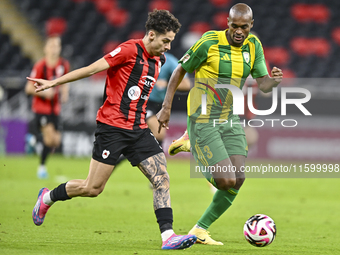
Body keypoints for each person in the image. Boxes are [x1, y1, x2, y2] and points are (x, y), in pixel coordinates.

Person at [28, 10, 196, 250]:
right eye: (165, 40)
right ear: (151, 35)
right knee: (92, 188)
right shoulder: (129, 50)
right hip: (112, 128)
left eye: (171, 41)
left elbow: (163, 86)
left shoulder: (158, 61)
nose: (168, 46)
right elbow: (91, 69)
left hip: (138, 129)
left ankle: (168, 236)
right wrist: (55, 82)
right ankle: (47, 197)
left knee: (161, 178)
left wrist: (165, 108)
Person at [157, 3, 283, 245]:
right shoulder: (209, 42)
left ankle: (199, 230)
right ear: (227, 22)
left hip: (231, 118)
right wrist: (166, 106)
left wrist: (273, 81)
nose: (239, 31)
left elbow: (263, 84)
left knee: (239, 178)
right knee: (225, 181)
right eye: (234, 26)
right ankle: (192, 142)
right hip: (203, 117)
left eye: (244, 27)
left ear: (251, 26)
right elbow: (180, 71)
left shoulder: (254, 46)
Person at [25, 35, 70, 179]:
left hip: (55, 109)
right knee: (49, 137)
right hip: (41, 109)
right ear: (45, 48)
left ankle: (34, 141)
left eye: (57, 46)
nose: (54, 49)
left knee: (56, 141)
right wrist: (45, 92)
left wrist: (64, 93)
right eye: (51, 46)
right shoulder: (40, 66)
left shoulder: (63, 65)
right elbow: (28, 88)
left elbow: (65, 81)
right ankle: (42, 168)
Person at [146, 52, 190, 147]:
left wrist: (167, 83)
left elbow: (186, 85)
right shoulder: (139, 57)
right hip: (142, 103)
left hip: (159, 105)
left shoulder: (169, 61)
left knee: (158, 137)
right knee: (158, 134)